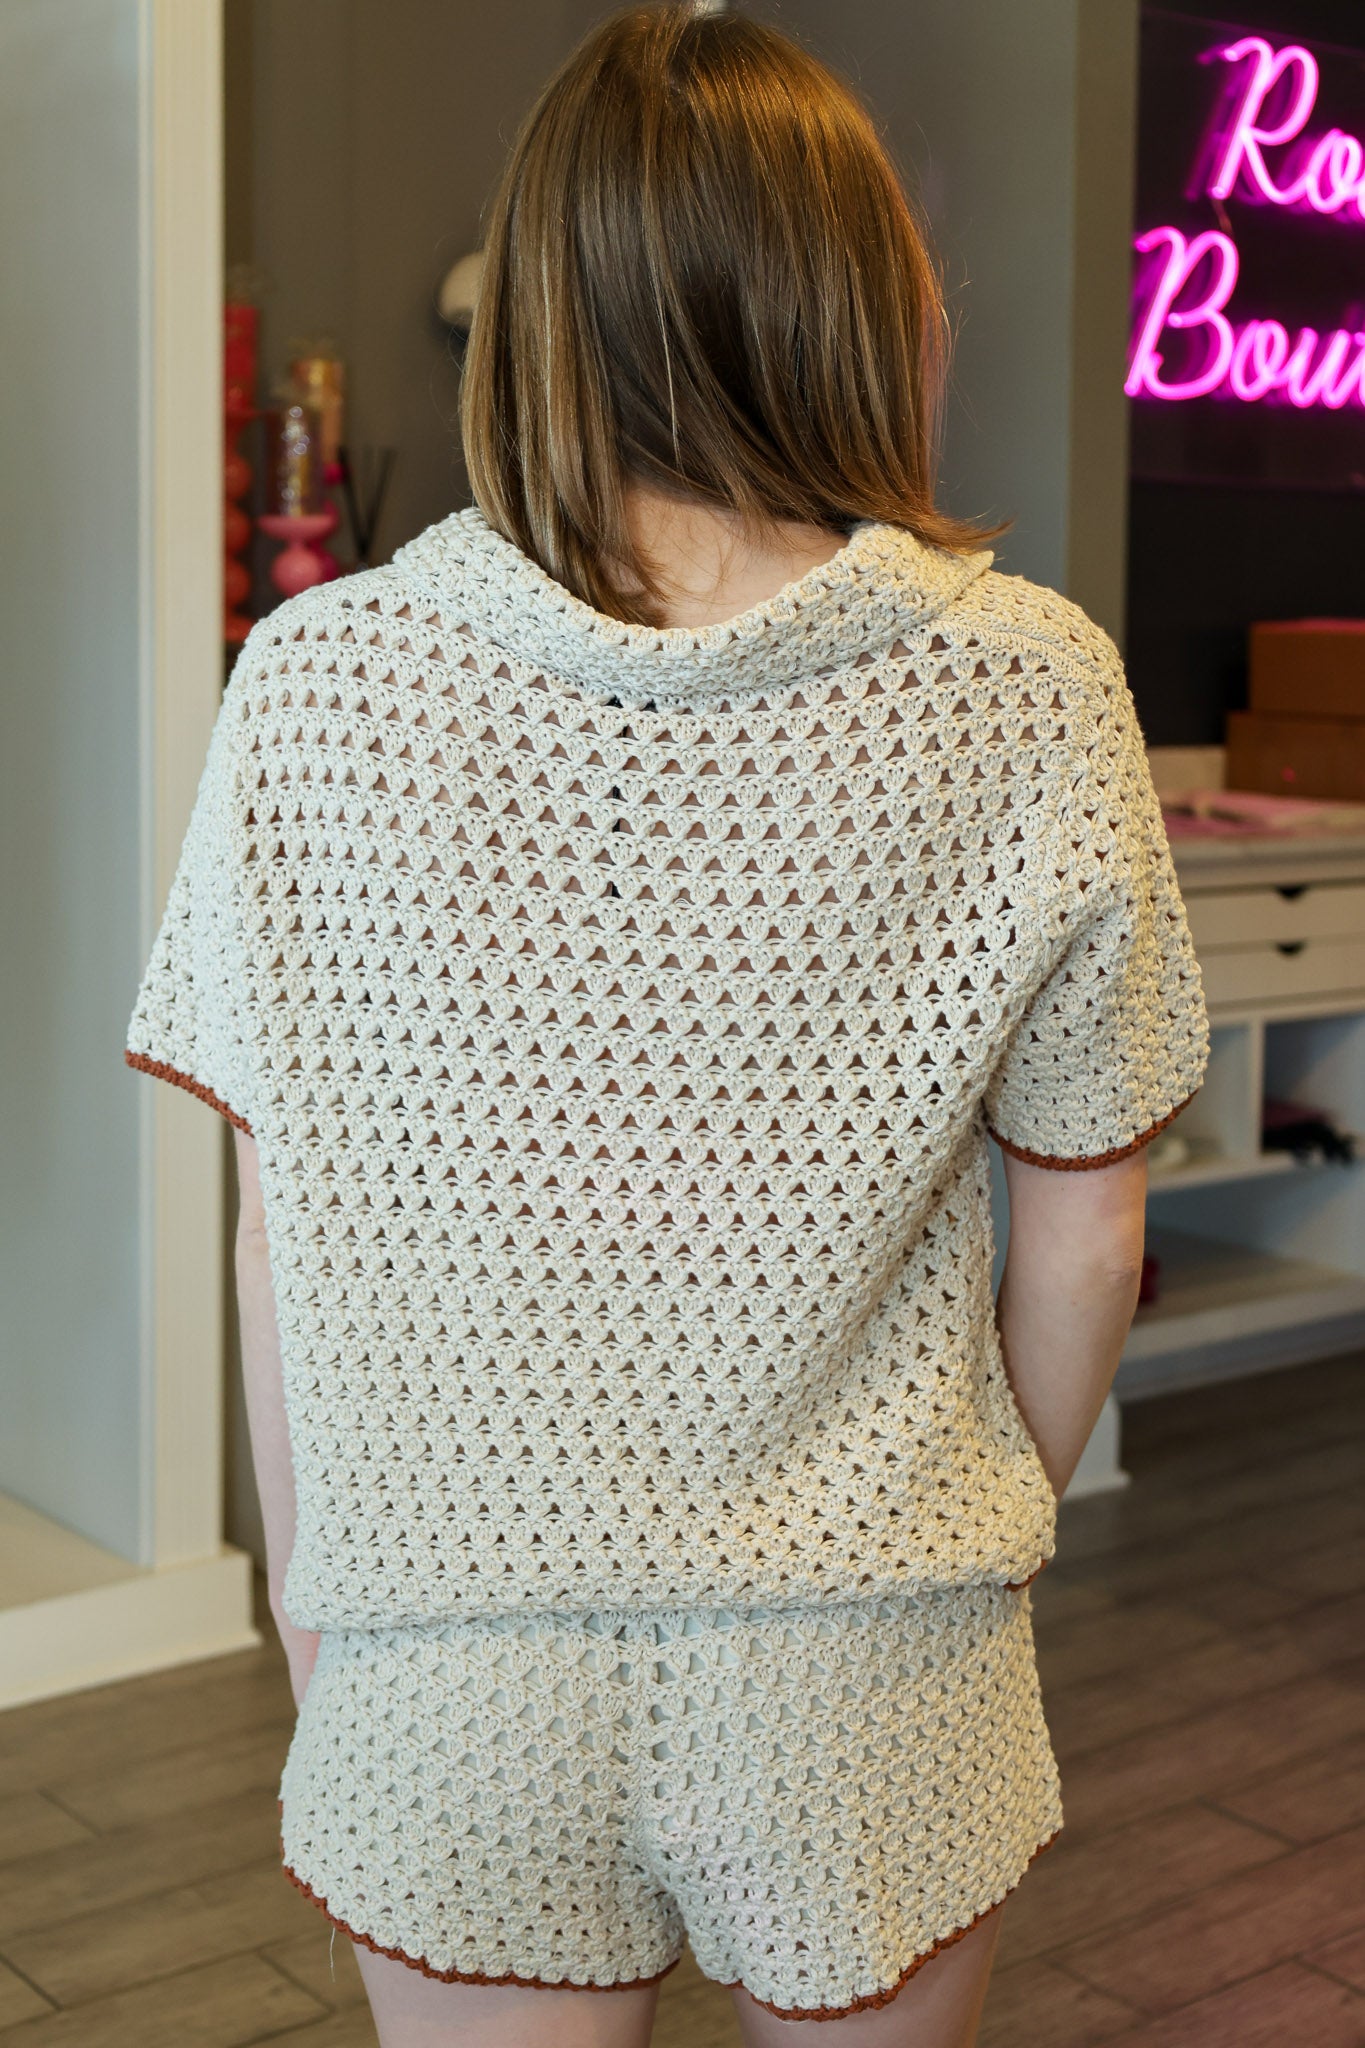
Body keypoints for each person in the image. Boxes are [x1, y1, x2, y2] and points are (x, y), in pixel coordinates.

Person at [125, 8, 1209, 2045]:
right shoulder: (1032, 684)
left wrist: (309, 1597)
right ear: (863, 298)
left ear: (535, 308)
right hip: (873, 1654)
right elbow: (1087, 1237)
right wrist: (972, 1544)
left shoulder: (314, 680)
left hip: (443, 1653)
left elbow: (286, 1238)